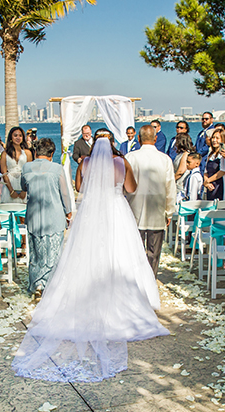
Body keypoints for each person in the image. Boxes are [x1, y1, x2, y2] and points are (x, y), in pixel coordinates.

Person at [12, 137, 167, 382]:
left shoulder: (85, 163)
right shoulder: (121, 161)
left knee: (86, 253)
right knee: (120, 253)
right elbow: (130, 189)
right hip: (116, 211)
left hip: (92, 213)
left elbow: (80, 189)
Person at [21, 138, 73, 296]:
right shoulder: (57, 169)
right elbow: (64, 192)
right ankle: (50, 285)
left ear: (36, 152)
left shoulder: (26, 167)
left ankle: (38, 284)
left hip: (34, 216)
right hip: (54, 214)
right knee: (53, 251)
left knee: (36, 251)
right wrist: (68, 211)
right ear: (51, 153)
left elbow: (23, 187)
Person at [125, 124, 177, 276]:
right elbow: (170, 187)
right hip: (157, 208)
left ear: (139, 139)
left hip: (134, 208)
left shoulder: (130, 157)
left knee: (136, 249)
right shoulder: (165, 159)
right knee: (154, 251)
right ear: (155, 139)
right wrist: (169, 211)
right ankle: (151, 278)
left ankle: (137, 278)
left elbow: (123, 184)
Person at [0, 126, 33, 203]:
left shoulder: (27, 153)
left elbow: (29, 173)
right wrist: (11, 191)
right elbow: (4, 173)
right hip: (9, 184)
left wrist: (24, 191)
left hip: (23, 183)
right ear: (11, 137)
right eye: (15, 135)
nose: (18, 138)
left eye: (20, 135)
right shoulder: (4, 154)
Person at [203, 127, 225, 200]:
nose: (214, 140)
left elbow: (223, 171)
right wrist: (207, 183)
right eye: (213, 138)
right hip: (211, 186)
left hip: (220, 185)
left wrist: (208, 180)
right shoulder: (211, 153)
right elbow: (206, 171)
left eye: (217, 138)